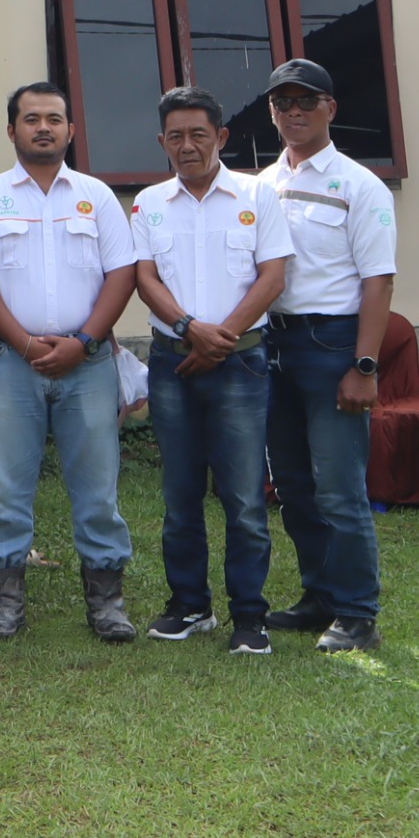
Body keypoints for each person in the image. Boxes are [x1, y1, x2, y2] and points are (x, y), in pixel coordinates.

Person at [0, 82, 140, 643]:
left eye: (54, 119)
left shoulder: (97, 197)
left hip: (89, 363)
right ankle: (5, 604)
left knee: (98, 487)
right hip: (12, 362)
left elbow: (121, 273)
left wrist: (83, 341)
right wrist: (28, 344)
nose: (43, 127)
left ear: (71, 131)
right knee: (6, 487)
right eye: (30, 119)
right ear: (12, 131)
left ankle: (107, 603)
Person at [131, 87, 293, 656]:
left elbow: (272, 276)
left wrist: (219, 340)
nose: (187, 145)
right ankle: (190, 606)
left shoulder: (256, 194)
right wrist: (189, 329)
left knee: (244, 497)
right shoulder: (149, 203)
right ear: (162, 142)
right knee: (179, 494)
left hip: (241, 362)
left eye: (199, 133)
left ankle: (250, 616)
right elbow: (145, 278)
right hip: (173, 360)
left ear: (220, 137)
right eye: (175, 135)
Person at [261, 58, 397, 654]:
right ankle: (319, 596)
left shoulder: (358, 184)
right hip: (272, 344)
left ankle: (357, 612)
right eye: (281, 103)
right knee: (291, 483)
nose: (293, 112)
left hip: (332, 344)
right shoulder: (260, 185)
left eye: (304, 101)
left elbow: (379, 281)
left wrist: (364, 366)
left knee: (338, 487)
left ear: (330, 109)